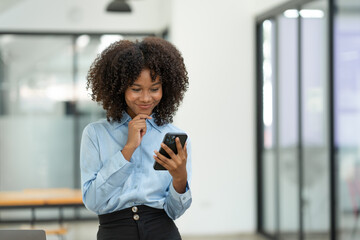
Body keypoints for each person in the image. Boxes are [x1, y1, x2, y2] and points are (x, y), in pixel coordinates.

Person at [80, 37, 192, 240]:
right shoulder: (95, 134)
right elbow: (93, 201)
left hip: (162, 231)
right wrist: (128, 149)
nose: (146, 98)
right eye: (136, 89)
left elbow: (175, 212)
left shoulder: (173, 137)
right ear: (119, 88)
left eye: (154, 88)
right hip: (114, 231)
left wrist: (180, 179)